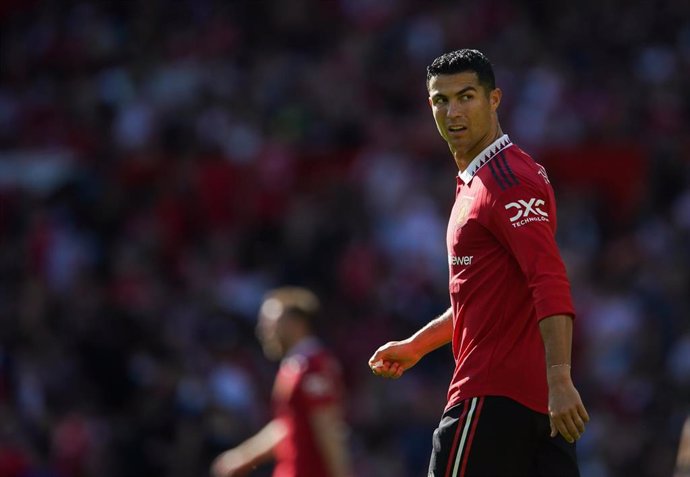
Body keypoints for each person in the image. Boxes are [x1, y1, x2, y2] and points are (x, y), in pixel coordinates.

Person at [369, 49, 590, 476]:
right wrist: (418, 345)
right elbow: (490, 294)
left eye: (466, 96)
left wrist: (561, 379)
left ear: (494, 99)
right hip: (538, 408)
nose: (452, 111)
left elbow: (548, 278)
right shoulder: (490, 179)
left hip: (491, 399)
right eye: (440, 99)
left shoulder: (504, 180)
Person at [212, 287, 352, 477]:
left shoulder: (313, 366)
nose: (263, 330)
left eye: (271, 322)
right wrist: (244, 457)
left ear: (296, 323)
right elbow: (288, 426)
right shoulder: (295, 366)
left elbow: (328, 427)